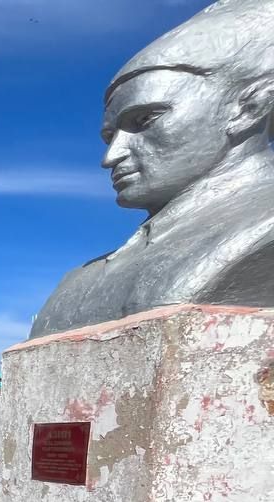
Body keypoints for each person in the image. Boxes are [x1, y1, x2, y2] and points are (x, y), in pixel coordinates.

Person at [31, 0, 274, 337]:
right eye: (109, 136)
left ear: (250, 107)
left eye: (144, 120)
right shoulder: (78, 281)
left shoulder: (261, 230)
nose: (111, 156)